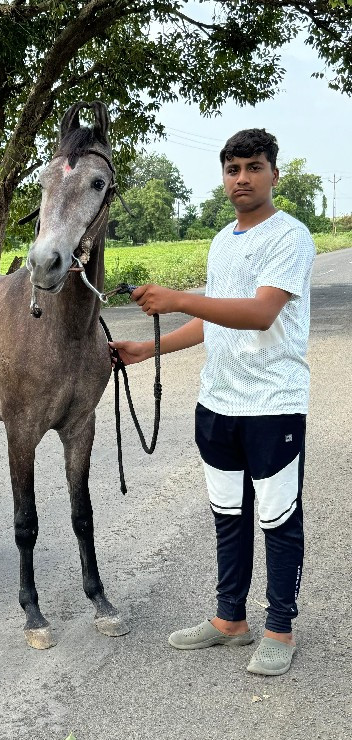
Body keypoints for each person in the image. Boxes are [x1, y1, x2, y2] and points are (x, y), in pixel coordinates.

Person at [110, 129, 315, 676]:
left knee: (278, 518)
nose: (242, 178)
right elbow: (214, 320)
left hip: (273, 404)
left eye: (253, 166)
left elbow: (259, 312)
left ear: (274, 172)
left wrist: (174, 297)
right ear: (223, 177)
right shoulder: (223, 240)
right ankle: (230, 620)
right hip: (218, 403)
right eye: (233, 168)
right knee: (228, 514)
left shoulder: (290, 237)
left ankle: (279, 627)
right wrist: (144, 350)